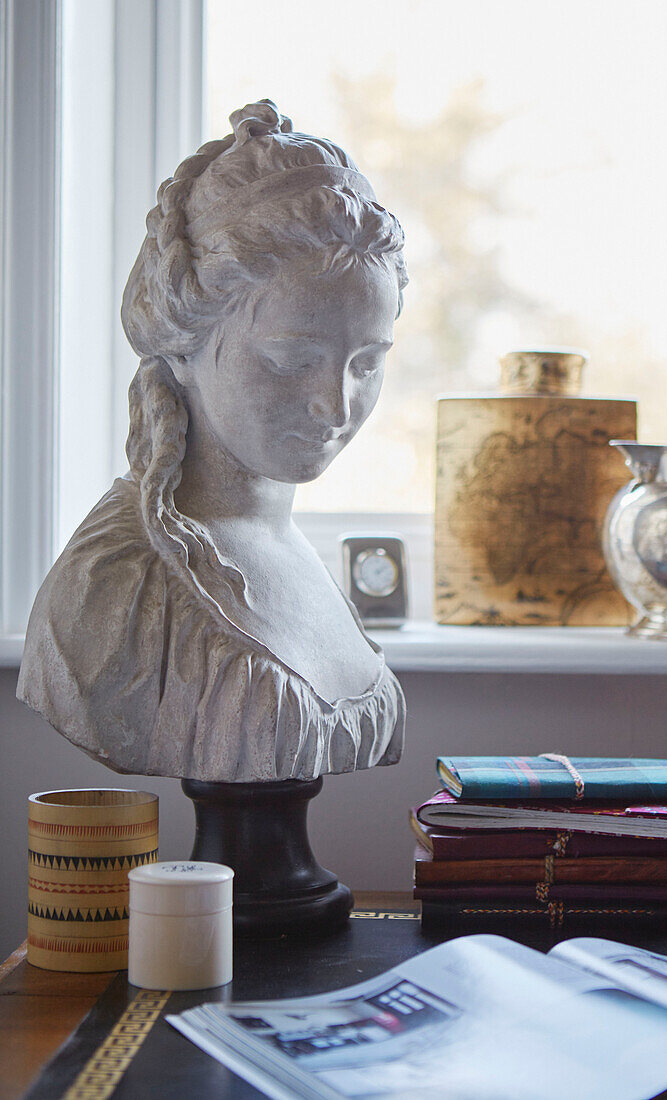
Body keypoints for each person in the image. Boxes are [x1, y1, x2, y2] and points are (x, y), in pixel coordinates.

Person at [17, 100, 407, 782]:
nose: (336, 405)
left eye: (366, 362)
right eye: (291, 360)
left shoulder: (291, 553)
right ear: (185, 343)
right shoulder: (114, 583)